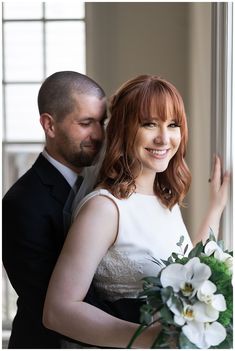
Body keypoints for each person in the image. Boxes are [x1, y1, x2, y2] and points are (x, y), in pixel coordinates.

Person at [43, 75, 230, 348]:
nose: (164, 138)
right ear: (124, 129)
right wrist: (151, 339)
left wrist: (216, 207)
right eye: (149, 124)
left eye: (173, 124)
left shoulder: (165, 200)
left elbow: (191, 268)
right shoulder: (104, 208)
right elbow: (58, 311)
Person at [2, 71, 110, 348]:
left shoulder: (101, 186)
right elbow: (50, 305)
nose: (98, 134)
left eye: (101, 122)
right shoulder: (22, 203)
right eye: (86, 123)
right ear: (49, 125)